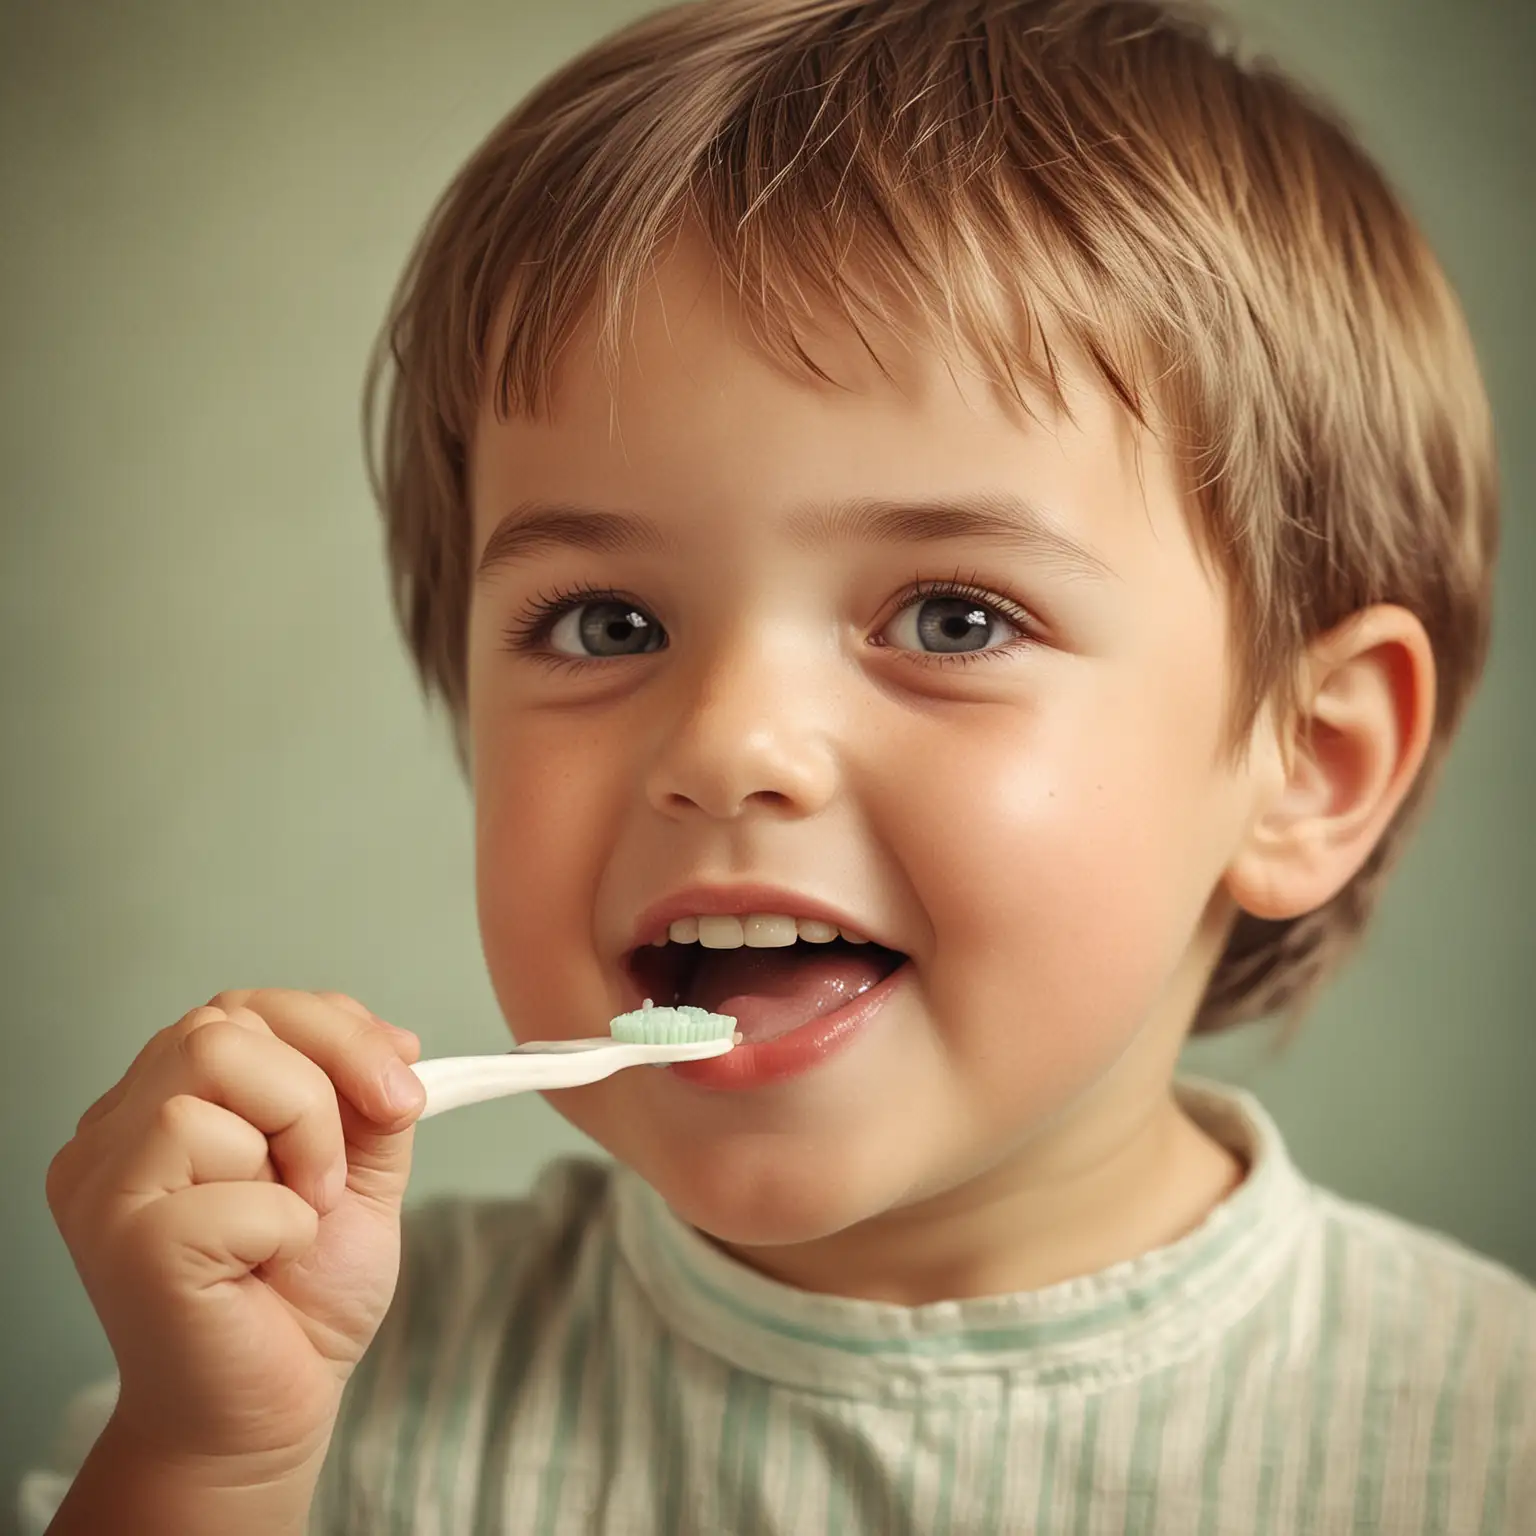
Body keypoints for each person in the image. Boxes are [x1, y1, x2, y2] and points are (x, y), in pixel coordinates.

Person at [22, 0, 1533, 1531]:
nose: (726, 742)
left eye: (953, 616)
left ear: (1311, 766)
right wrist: (207, 1462)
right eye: (606, 623)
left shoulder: (1489, 1444)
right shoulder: (288, 1397)